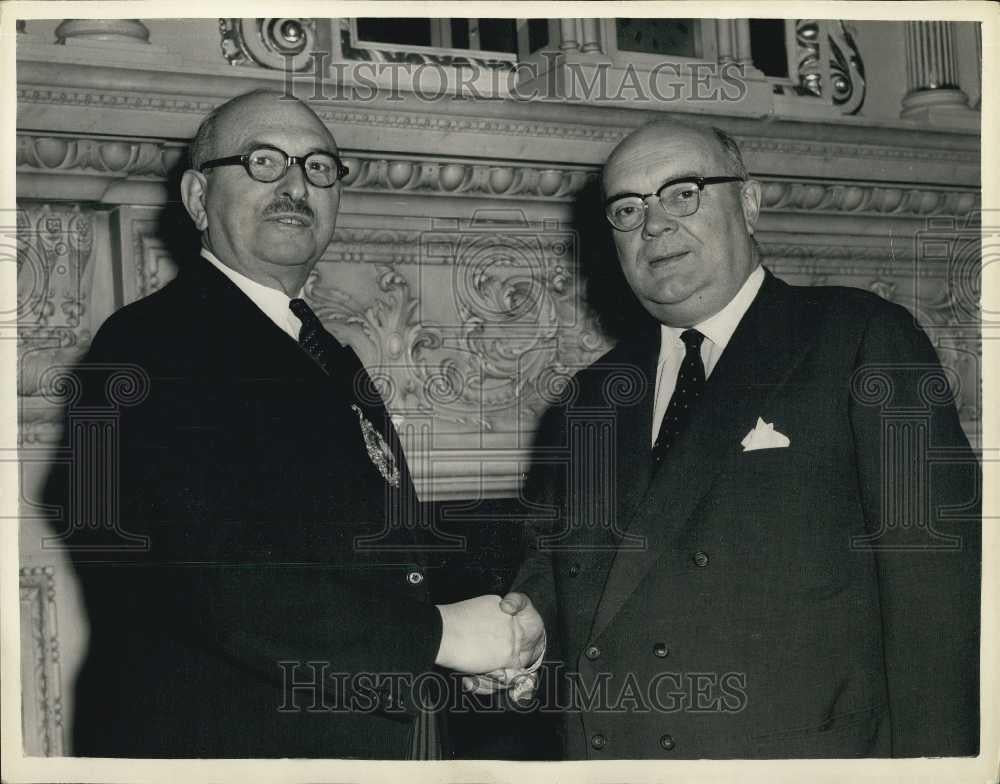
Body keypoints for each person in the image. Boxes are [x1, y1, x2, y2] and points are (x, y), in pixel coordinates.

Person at [60, 89, 543, 759]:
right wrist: (438, 637)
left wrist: (491, 625)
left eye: (318, 167)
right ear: (198, 198)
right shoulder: (149, 345)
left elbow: (370, 552)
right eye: (264, 161)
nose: (295, 184)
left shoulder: (321, 353)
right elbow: (212, 570)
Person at [506, 119, 981, 758]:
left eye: (683, 193)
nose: (654, 226)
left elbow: (941, 609)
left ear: (748, 203)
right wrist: (523, 626)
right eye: (627, 210)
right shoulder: (588, 399)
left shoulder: (858, 339)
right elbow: (562, 571)